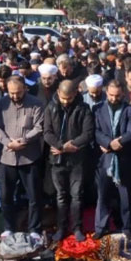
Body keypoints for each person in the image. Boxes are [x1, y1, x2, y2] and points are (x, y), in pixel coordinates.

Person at [44, 79, 95, 241]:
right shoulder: (51, 107)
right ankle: (61, 227)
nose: (66, 102)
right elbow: (47, 132)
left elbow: (87, 133)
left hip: (77, 159)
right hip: (57, 159)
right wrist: (61, 146)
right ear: (58, 93)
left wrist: (71, 145)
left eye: (69, 98)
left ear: (75, 94)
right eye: (63, 98)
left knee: (77, 195)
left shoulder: (83, 108)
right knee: (61, 196)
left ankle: (77, 227)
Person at [0, 76, 44, 240]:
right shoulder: (1, 104)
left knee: (34, 196)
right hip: (7, 157)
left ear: (25, 88)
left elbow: (39, 127)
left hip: (29, 156)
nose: (15, 96)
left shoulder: (36, 103)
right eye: (11, 93)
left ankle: (34, 229)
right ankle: (9, 227)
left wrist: (23, 140)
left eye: (18, 93)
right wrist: (8, 143)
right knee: (6, 195)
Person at [93, 80, 131, 240]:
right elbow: (96, 131)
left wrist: (115, 144)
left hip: (123, 158)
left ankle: (128, 227)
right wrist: (107, 143)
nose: (114, 99)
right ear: (107, 93)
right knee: (103, 195)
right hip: (105, 159)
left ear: (123, 95)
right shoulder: (98, 109)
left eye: (117, 96)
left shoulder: (129, 110)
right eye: (111, 95)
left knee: (126, 197)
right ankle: (101, 227)